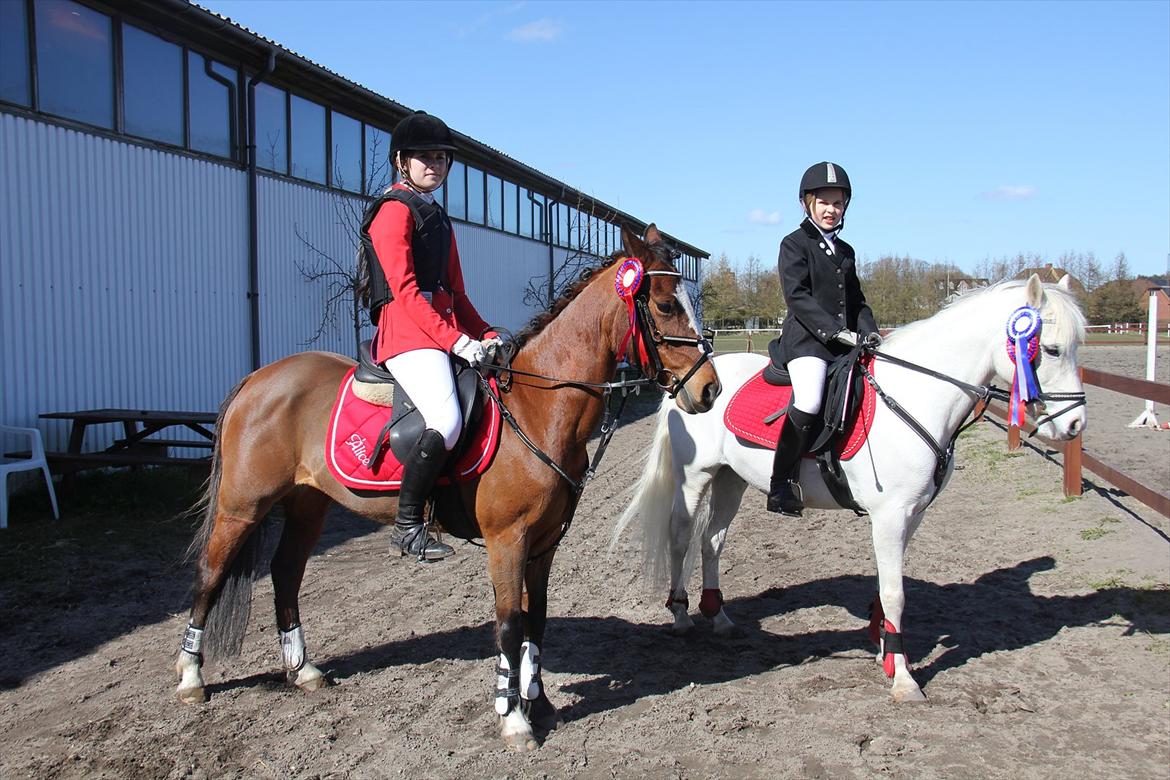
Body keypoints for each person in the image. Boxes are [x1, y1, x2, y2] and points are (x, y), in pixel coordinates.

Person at [357, 110, 500, 560]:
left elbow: (456, 293)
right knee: (447, 420)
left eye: (441, 158)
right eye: (425, 157)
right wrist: (456, 341)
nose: (434, 165)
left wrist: (487, 332)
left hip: (437, 331)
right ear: (402, 161)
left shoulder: (437, 217)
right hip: (407, 335)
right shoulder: (392, 211)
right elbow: (404, 293)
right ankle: (407, 523)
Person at [767, 161, 880, 516]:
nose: (831, 210)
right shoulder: (794, 244)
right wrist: (834, 332)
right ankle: (780, 484)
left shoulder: (846, 251)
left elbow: (857, 300)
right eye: (824, 203)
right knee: (811, 399)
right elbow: (797, 297)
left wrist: (870, 330)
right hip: (807, 341)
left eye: (838, 203)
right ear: (807, 204)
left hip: (845, 341)